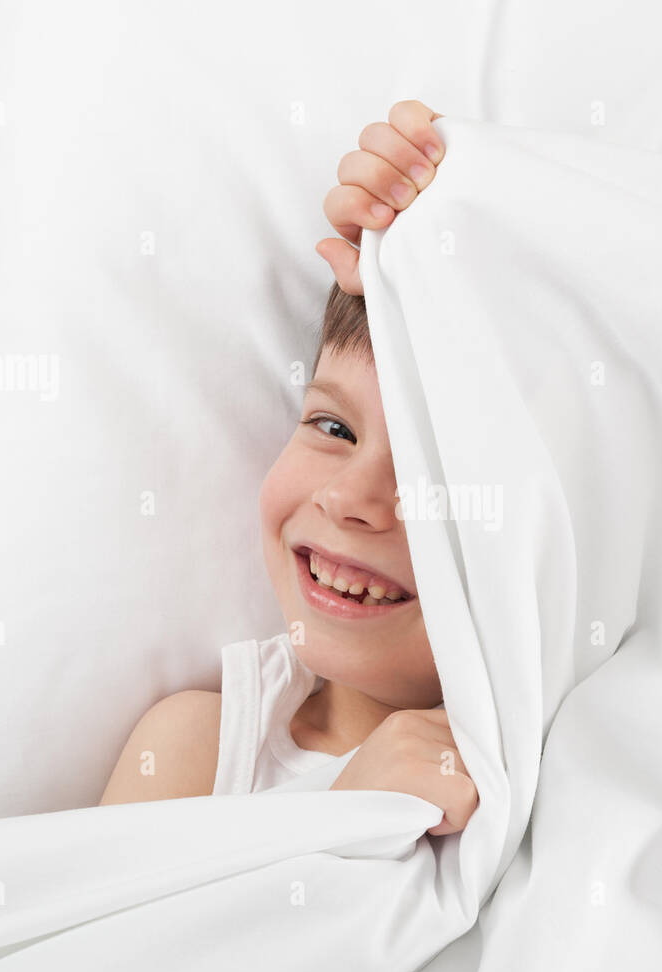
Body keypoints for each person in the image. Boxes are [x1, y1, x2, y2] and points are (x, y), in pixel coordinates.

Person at [99, 101, 479, 838]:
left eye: (436, 468)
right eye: (334, 427)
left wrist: (485, 197)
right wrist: (333, 826)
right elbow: (107, 954)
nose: (350, 498)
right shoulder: (202, 751)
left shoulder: (559, 765)